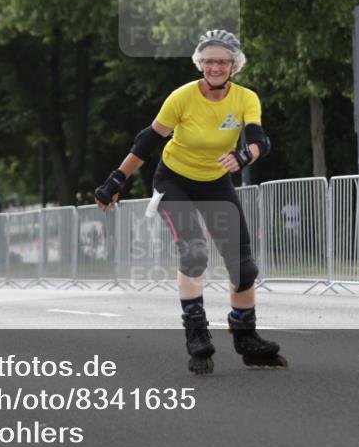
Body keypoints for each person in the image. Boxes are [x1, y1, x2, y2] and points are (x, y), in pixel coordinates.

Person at [95, 29, 286, 374]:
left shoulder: (245, 98)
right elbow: (147, 140)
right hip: (174, 180)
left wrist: (244, 156)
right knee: (195, 252)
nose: (215, 67)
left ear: (234, 66)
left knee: (243, 265)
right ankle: (196, 332)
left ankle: (245, 335)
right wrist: (116, 179)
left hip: (214, 182)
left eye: (222, 61)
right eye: (209, 60)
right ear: (200, 63)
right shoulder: (182, 97)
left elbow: (259, 139)